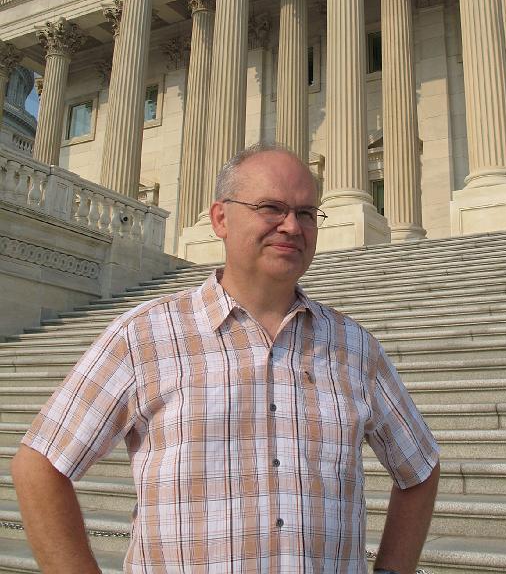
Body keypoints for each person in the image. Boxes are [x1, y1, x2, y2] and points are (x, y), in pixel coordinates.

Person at [12, 143, 440, 574]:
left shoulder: (354, 347)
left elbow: (420, 468)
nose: (291, 226)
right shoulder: (145, 335)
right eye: (270, 207)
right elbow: (40, 466)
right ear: (220, 218)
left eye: (306, 213)